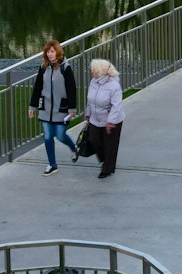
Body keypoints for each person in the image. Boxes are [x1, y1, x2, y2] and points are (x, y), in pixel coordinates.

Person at [28, 39, 79, 175]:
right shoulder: (43, 67)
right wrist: (32, 107)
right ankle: (52, 165)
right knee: (47, 136)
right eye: (48, 52)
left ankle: (73, 148)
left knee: (60, 135)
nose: (50, 54)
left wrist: (72, 109)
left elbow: (71, 89)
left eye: (52, 51)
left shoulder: (65, 68)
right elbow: (37, 87)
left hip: (61, 109)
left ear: (58, 52)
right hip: (45, 108)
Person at [85, 58, 125, 180]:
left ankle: (107, 168)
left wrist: (111, 122)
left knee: (110, 145)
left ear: (99, 71)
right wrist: (88, 113)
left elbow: (116, 106)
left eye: (93, 70)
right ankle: (105, 160)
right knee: (93, 140)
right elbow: (90, 100)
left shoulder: (114, 85)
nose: (92, 72)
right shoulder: (94, 81)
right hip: (95, 118)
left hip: (112, 120)